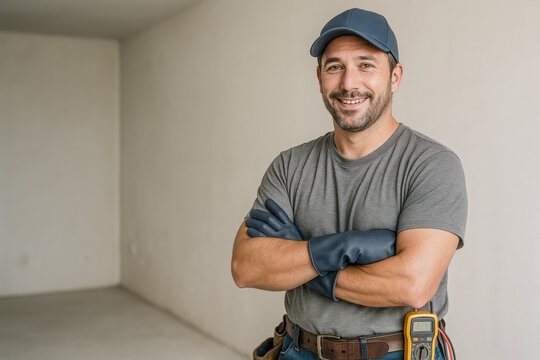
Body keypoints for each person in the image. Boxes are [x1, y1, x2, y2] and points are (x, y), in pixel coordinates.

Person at [232, 8, 467, 360]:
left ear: (395, 76)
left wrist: (303, 256)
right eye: (334, 67)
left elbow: (412, 284)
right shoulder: (289, 166)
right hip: (299, 349)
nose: (348, 83)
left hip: (397, 353)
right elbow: (246, 267)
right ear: (319, 77)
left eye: (366, 64)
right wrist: (344, 247)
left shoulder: (431, 164)